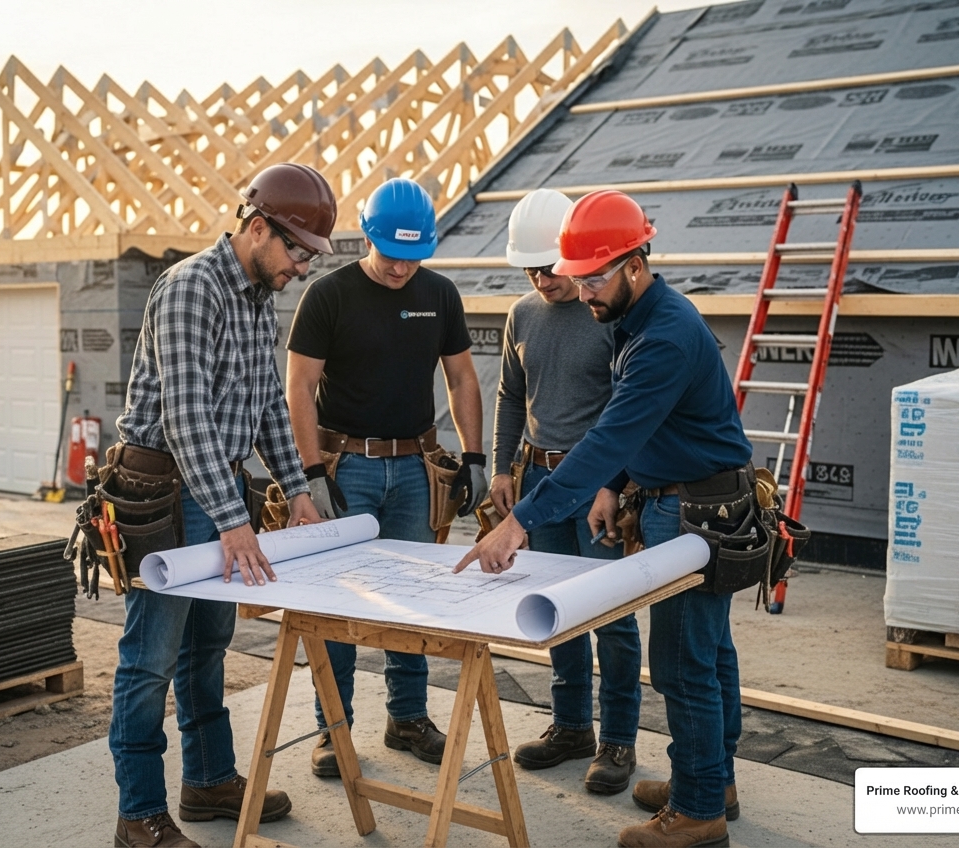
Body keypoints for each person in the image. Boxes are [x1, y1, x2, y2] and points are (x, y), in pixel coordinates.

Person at [455, 189, 755, 848]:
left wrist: (519, 522)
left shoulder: (665, 335)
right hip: (691, 498)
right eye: (578, 275)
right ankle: (711, 779)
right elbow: (633, 434)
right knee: (712, 653)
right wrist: (614, 484)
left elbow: (609, 439)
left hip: (697, 508)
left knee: (682, 663)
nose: (583, 290)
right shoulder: (630, 316)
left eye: (594, 276)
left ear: (635, 264)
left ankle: (699, 812)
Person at [109, 164, 334, 848]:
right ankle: (139, 815)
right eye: (296, 251)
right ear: (257, 227)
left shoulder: (256, 295)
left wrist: (295, 489)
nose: (300, 267)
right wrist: (234, 519)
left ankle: (208, 781)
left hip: (214, 485)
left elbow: (267, 402)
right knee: (150, 658)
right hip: (165, 492)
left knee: (207, 646)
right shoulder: (189, 290)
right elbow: (186, 418)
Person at [285, 177, 487, 779]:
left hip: (415, 468)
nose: (402, 267)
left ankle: (406, 717)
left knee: (413, 601)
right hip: (348, 468)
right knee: (339, 602)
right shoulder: (329, 295)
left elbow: (462, 380)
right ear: (368, 238)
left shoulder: (440, 294)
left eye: (414, 255)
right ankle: (332, 729)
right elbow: (298, 387)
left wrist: (475, 457)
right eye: (392, 253)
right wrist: (311, 472)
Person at [489, 188, 642, 796]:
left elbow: (628, 413)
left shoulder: (608, 312)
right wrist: (503, 468)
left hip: (597, 491)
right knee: (557, 612)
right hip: (539, 482)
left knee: (612, 616)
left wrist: (614, 485)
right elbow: (507, 394)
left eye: (549, 266)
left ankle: (619, 741)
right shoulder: (522, 314)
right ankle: (573, 726)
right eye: (529, 268)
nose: (541, 279)